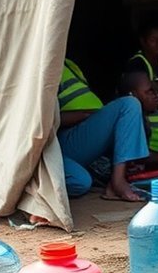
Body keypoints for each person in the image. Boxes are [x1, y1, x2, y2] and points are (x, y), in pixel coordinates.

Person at [57, 59, 148, 201]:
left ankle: (117, 181)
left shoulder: (69, 63)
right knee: (81, 182)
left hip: (79, 136)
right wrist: (85, 115)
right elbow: (38, 123)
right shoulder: (36, 64)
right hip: (57, 141)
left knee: (129, 105)